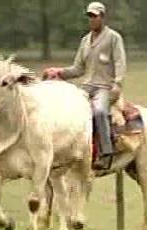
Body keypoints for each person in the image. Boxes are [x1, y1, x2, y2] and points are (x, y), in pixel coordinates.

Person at [43, 2, 127, 170]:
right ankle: (68, 148)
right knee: (67, 110)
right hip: (86, 86)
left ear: (103, 17)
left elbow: (120, 62)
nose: (92, 19)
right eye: (90, 16)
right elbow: (78, 69)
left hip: (104, 87)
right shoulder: (85, 41)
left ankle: (106, 153)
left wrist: (117, 84)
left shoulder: (113, 38)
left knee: (99, 112)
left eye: (95, 16)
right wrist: (59, 72)